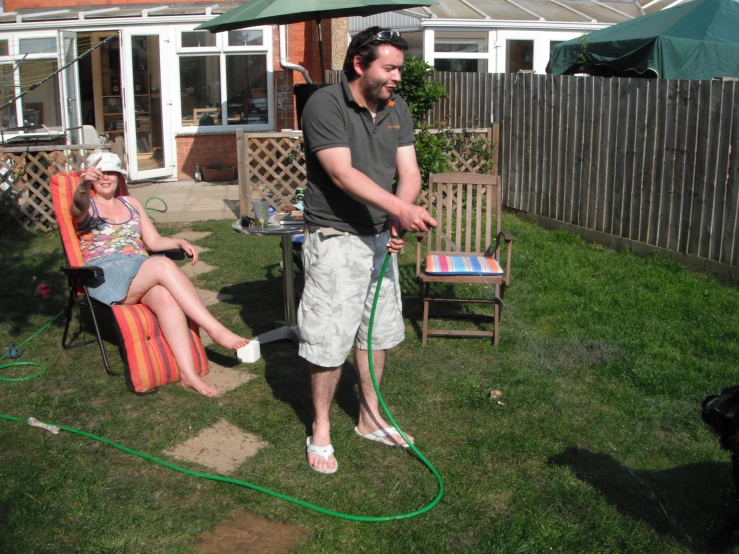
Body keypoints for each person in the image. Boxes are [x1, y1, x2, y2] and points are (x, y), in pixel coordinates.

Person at [298, 27, 438, 473]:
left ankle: (370, 418)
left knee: (375, 332)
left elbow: (409, 170)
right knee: (328, 339)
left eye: (400, 67)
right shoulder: (325, 103)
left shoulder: (398, 109)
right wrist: (396, 206)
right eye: (390, 67)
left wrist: (400, 211)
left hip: (380, 237)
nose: (398, 76)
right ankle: (320, 427)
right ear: (360, 64)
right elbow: (341, 173)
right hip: (336, 236)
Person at [70, 151, 249, 398]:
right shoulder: (86, 206)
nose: (105, 178)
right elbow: (77, 207)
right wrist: (81, 186)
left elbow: (152, 241)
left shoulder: (131, 203)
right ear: (90, 178)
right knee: (163, 266)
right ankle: (214, 329)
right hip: (104, 274)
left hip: (137, 269)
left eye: (110, 173)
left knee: (166, 297)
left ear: (119, 176)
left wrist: (178, 241)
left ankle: (188, 374)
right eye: (99, 174)